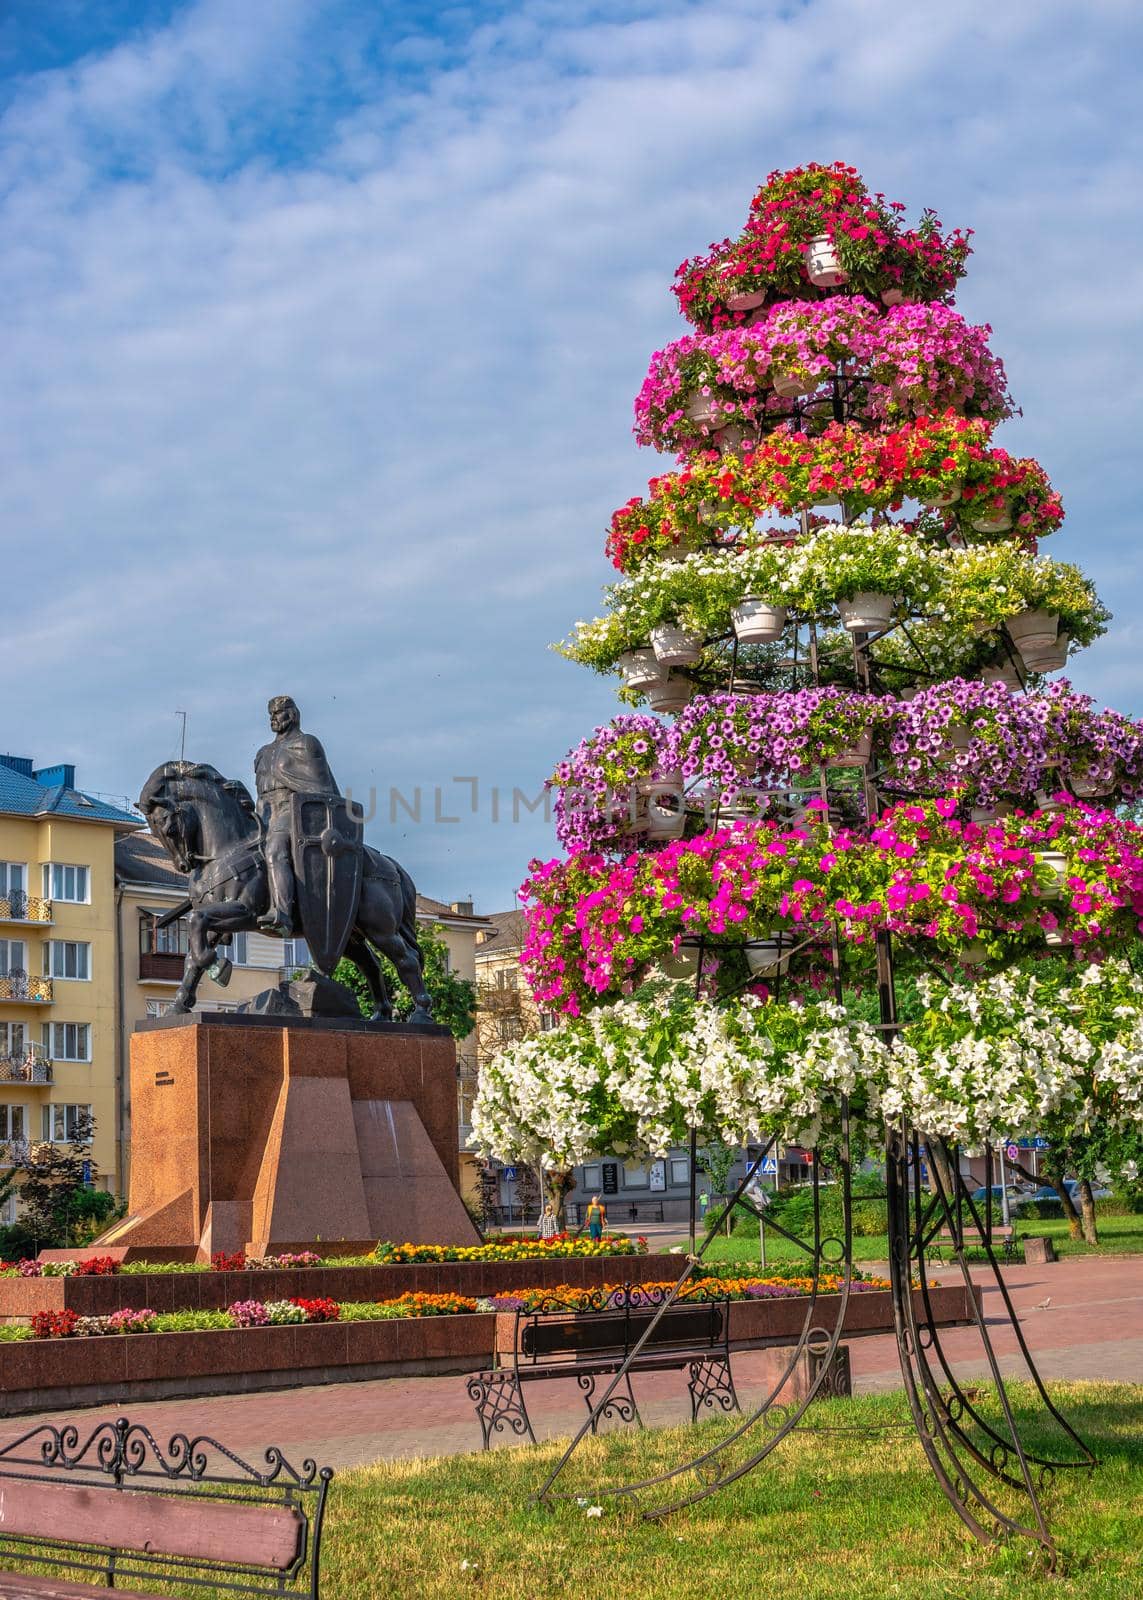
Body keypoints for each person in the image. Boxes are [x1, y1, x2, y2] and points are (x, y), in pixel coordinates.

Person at [253, 695, 342, 935]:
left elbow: (322, 788)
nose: (274, 718)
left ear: (291, 715)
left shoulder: (306, 744)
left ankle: (282, 912)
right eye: (271, 714)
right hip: (264, 811)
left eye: (279, 713)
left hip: (293, 811)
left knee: (274, 849)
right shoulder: (264, 752)